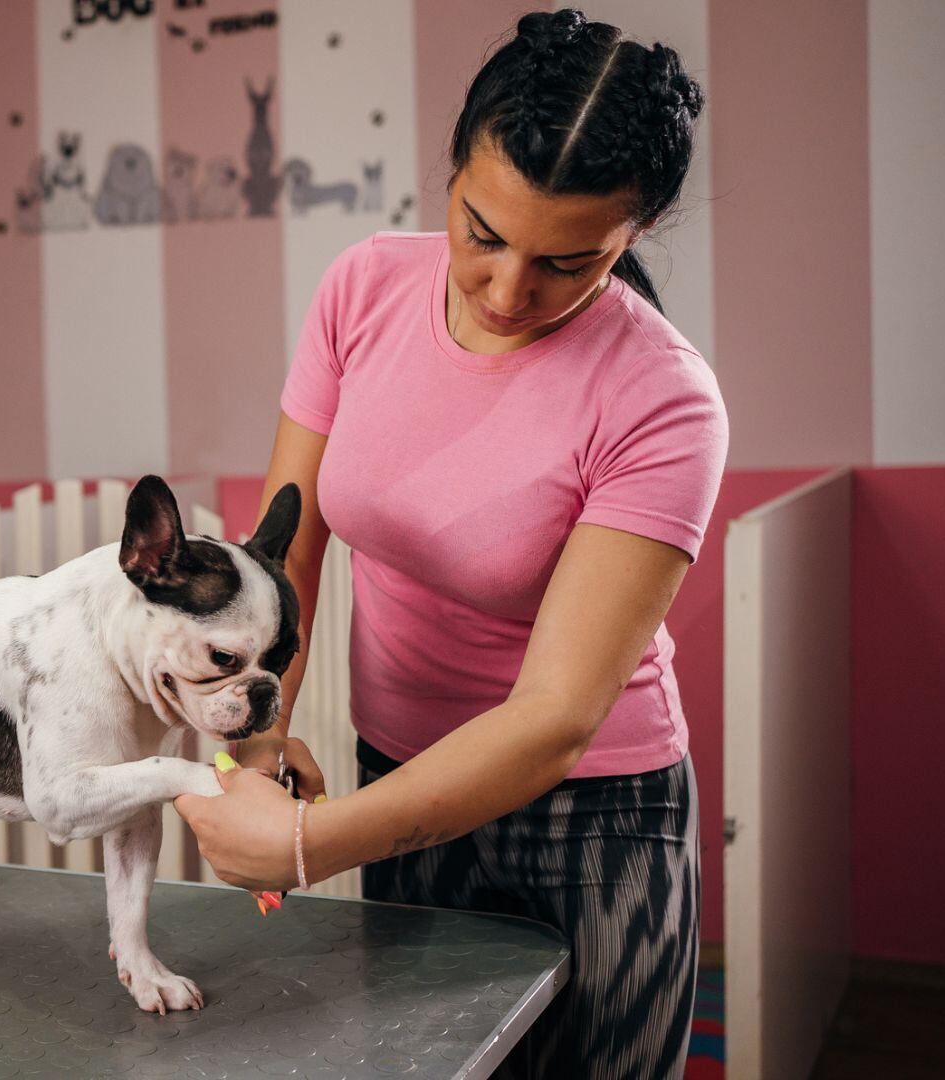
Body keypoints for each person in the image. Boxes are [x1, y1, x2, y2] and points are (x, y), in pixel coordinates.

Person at [173, 9, 724, 1078]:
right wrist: (256, 728)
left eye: (569, 263)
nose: (510, 290)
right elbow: (285, 554)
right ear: (453, 168)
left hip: (592, 823)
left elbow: (557, 718)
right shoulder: (362, 290)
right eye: (482, 233)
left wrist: (302, 844)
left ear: (637, 231)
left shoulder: (663, 399)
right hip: (399, 785)